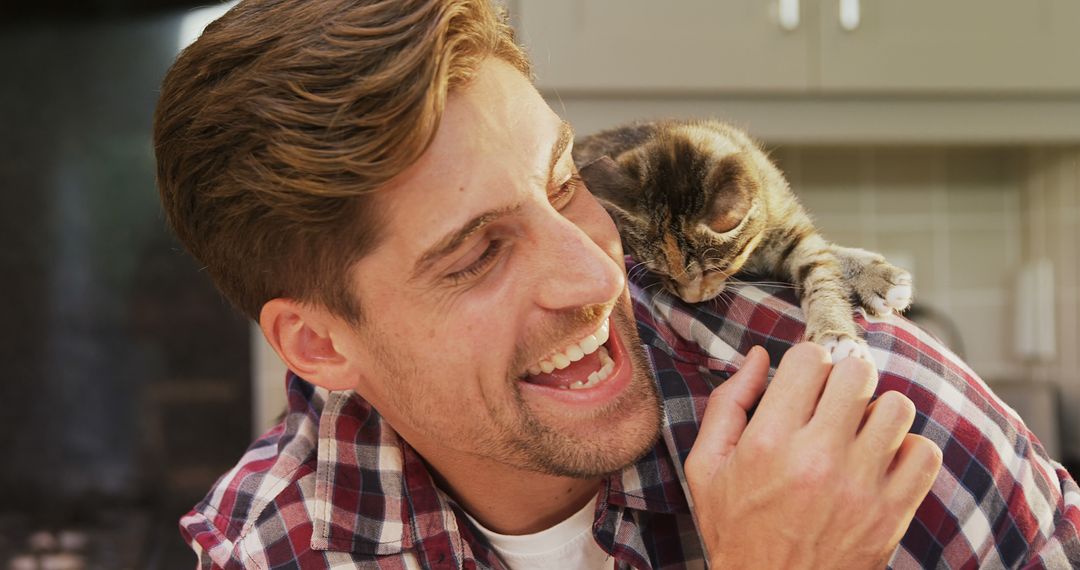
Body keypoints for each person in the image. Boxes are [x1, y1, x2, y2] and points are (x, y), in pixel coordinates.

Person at [153, 0, 1080, 567]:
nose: (597, 272)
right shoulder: (277, 542)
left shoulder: (871, 414)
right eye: (477, 255)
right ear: (320, 345)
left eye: (566, 184)